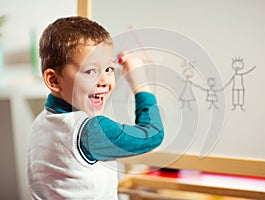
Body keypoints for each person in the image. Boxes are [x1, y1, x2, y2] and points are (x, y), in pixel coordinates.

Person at [26, 16, 164, 199]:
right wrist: (140, 84)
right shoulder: (91, 131)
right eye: (90, 71)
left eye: (108, 69)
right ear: (54, 80)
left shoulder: (41, 121)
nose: (104, 81)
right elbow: (153, 134)